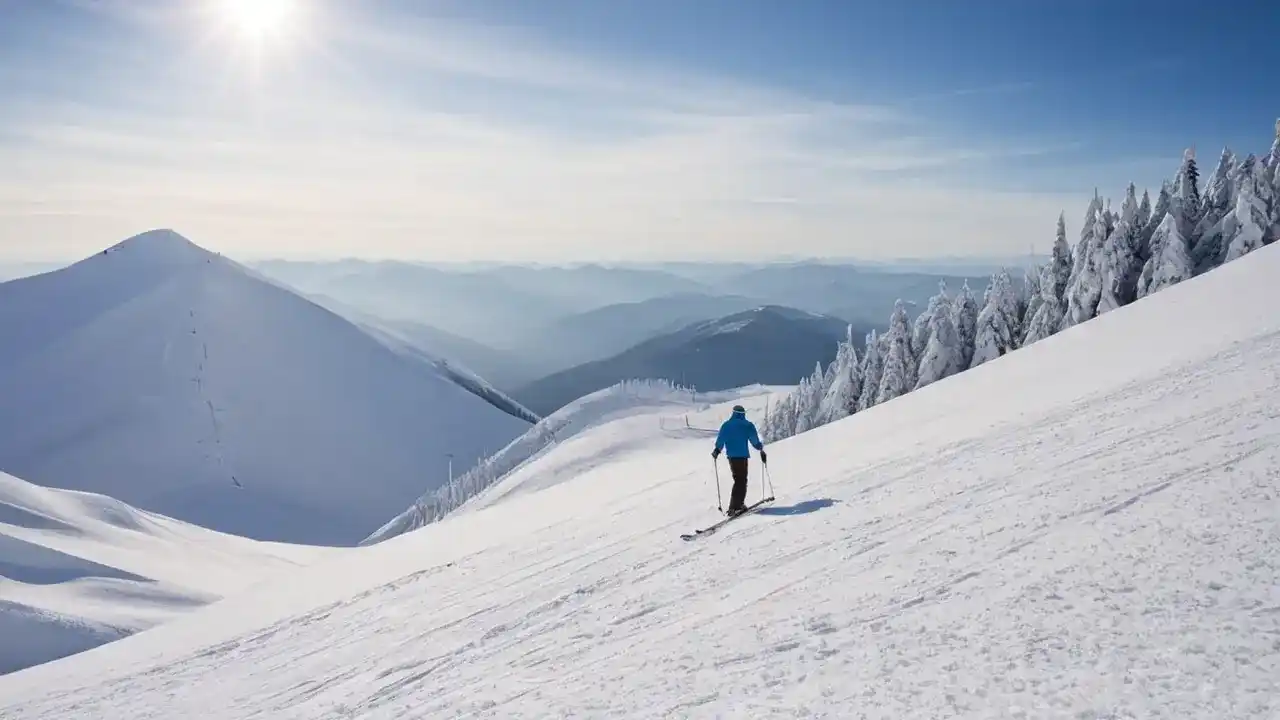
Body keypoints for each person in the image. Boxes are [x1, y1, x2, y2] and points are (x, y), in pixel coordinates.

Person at [711, 404, 766, 516]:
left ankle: (736, 505)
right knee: (741, 480)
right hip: (742, 456)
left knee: (738, 479)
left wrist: (717, 450)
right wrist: (760, 447)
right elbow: (754, 440)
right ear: (743, 414)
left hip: (731, 457)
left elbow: (721, 439)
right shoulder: (747, 425)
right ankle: (736, 506)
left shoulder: (726, 425)